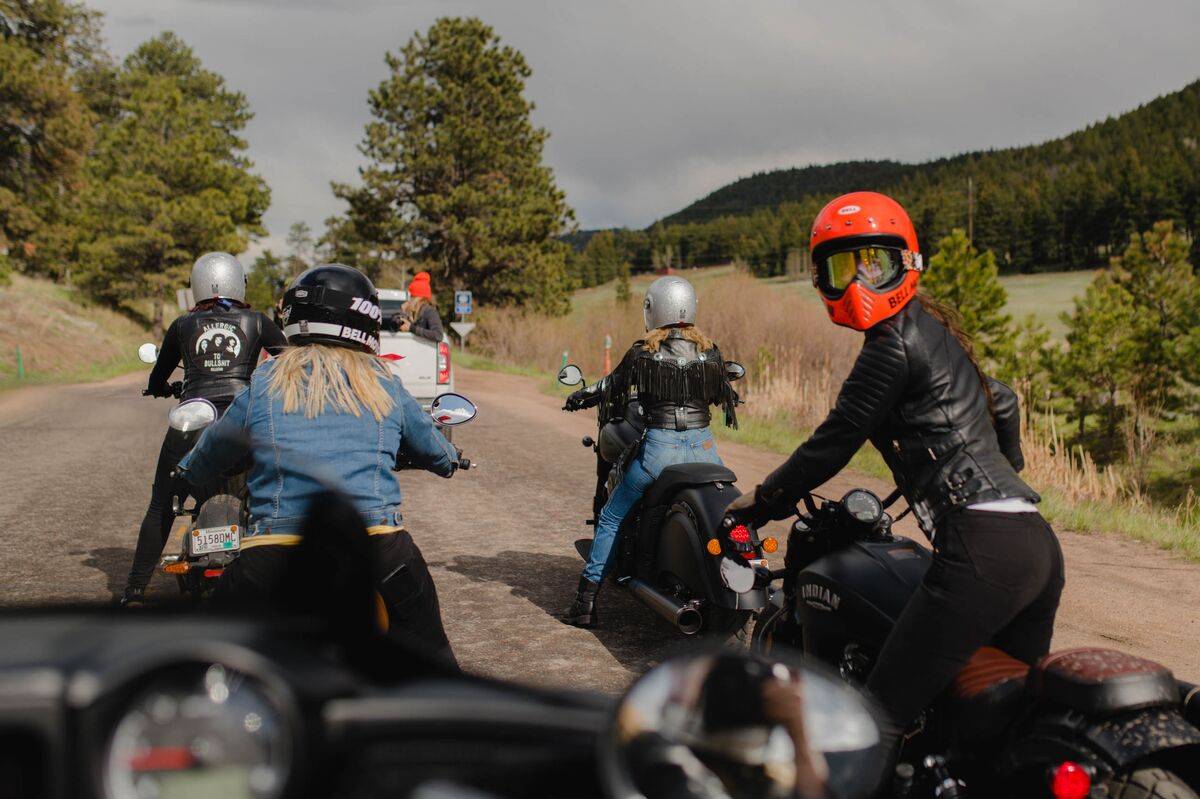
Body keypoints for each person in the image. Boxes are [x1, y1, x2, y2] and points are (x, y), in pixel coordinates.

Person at [726, 191, 1064, 756]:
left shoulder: (889, 345)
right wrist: (1010, 475)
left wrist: (760, 502)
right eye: (842, 269)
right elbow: (1002, 402)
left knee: (874, 720)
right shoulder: (932, 332)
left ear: (905, 265)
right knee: (1000, 728)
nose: (859, 286)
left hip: (980, 548)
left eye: (873, 265)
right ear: (822, 279)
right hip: (1033, 542)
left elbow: (832, 445)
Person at [176, 264, 460, 661]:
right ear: (366, 320)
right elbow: (435, 451)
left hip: (272, 553)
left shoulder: (267, 380)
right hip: (378, 548)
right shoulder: (383, 384)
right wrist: (451, 459)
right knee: (436, 666)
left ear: (292, 317)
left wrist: (188, 471)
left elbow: (211, 451)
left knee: (209, 663)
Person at [560, 276, 740, 627]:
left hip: (661, 448)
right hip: (705, 448)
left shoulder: (644, 353)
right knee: (728, 513)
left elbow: (612, 385)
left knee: (612, 517)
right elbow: (722, 396)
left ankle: (585, 601)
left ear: (653, 309)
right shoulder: (711, 352)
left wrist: (580, 396)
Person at [120, 252, 287, 606]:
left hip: (193, 419)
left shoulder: (182, 325)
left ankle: (135, 589)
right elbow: (290, 361)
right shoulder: (256, 320)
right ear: (238, 282)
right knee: (274, 495)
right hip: (243, 421)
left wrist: (161, 388)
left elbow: (158, 376)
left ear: (197, 285)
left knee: (162, 505)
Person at [398, 271, 444, 342]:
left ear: (417, 298)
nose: (410, 299)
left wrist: (412, 328)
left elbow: (438, 335)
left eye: (412, 296)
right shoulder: (415, 312)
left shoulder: (430, 311)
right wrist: (403, 311)